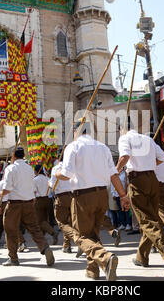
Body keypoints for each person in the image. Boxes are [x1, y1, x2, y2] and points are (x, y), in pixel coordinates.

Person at [55, 119, 129, 281]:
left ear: (76, 132)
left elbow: (66, 175)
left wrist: (56, 173)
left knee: (81, 236)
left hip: (83, 196)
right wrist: (123, 195)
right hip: (102, 194)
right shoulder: (102, 147)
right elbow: (114, 174)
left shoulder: (73, 147)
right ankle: (93, 269)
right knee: (93, 234)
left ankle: (105, 257)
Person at [116, 123, 164, 276]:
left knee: (146, 221)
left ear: (122, 129)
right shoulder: (147, 139)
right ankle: (142, 257)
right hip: (153, 179)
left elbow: (124, 157)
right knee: (151, 219)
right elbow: (162, 158)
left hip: (138, 179)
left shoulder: (124, 138)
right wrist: (149, 165)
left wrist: (115, 171)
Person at [0, 148, 55, 267]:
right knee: (34, 228)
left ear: (13, 156)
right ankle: (45, 247)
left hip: (14, 204)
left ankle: (13, 258)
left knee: (10, 229)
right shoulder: (29, 168)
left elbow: (7, 187)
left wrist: (2, 193)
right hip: (28, 203)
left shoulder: (11, 168)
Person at [49, 160, 78, 253]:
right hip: (73, 196)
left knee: (62, 223)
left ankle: (78, 239)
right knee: (69, 222)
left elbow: (53, 186)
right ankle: (66, 245)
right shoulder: (72, 166)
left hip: (61, 197)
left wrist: (49, 183)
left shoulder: (56, 168)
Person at [33, 165, 59, 245]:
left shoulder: (35, 180)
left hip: (39, 200)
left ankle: (52, 232)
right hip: (48, 199)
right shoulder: (47, 179)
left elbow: (34, 192)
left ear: (36, 171)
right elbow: (52, 190)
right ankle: (42, 238)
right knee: (44, 219)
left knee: (40, 221)